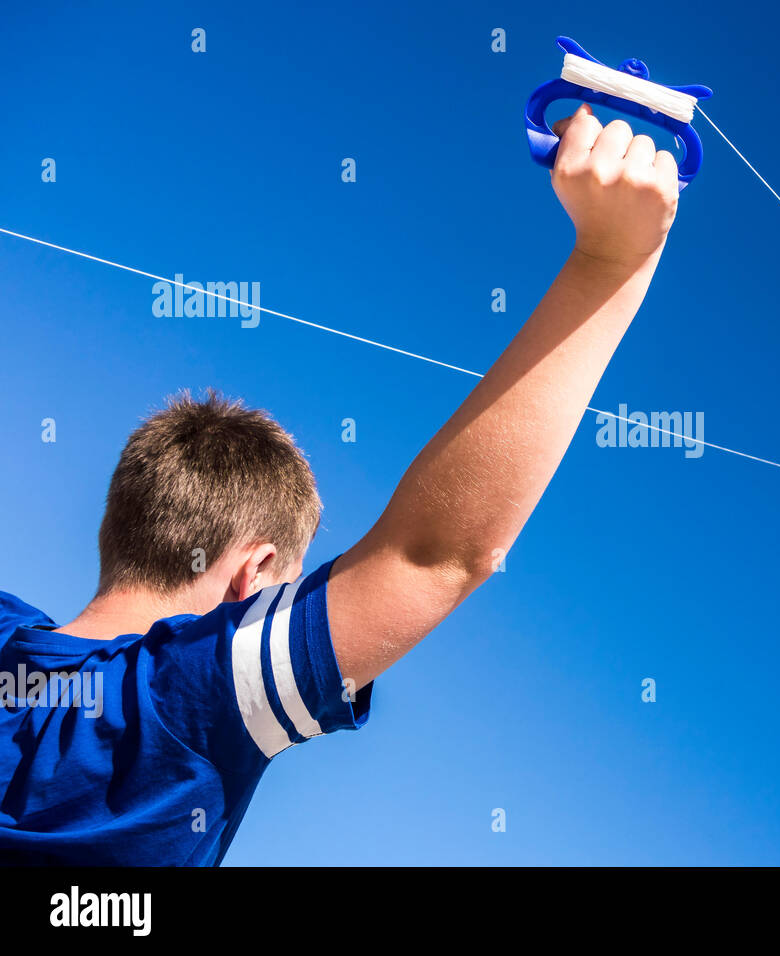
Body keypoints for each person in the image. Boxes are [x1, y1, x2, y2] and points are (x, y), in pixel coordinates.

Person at [0, 105, 678, 864]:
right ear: (255, 573)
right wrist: (614, 262)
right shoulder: (180, 703)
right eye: (284, 587)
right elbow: (437, 555)